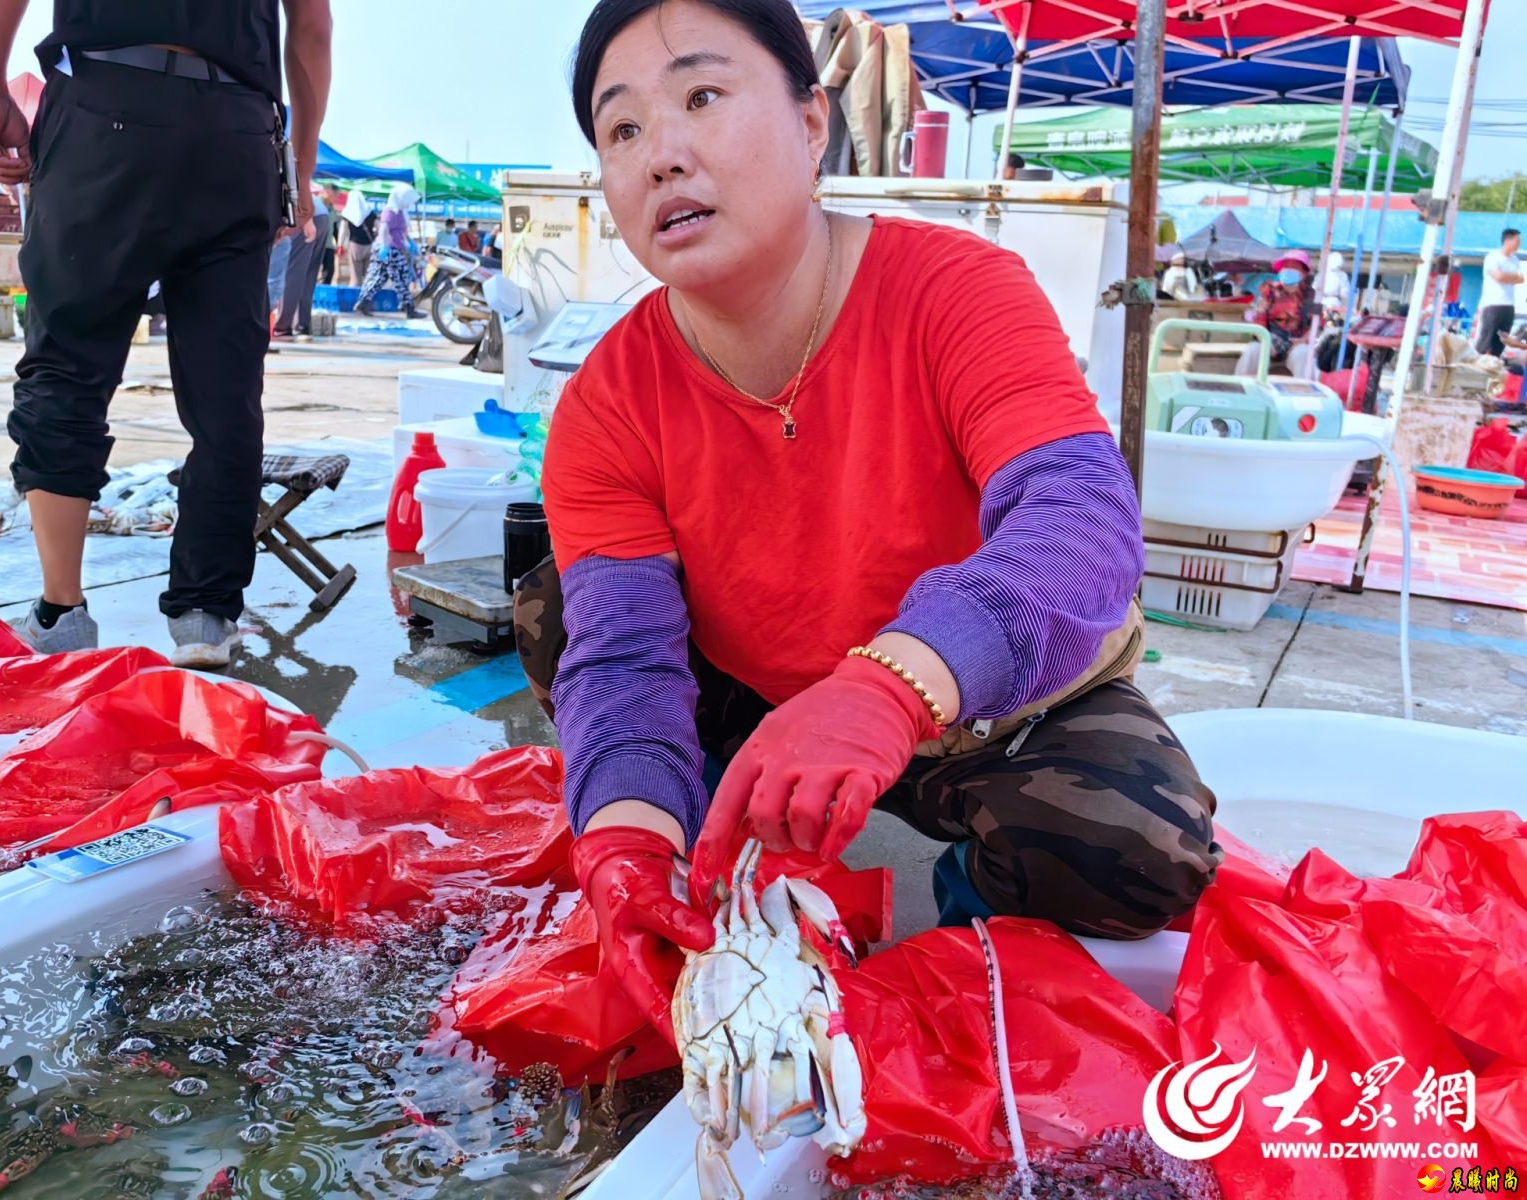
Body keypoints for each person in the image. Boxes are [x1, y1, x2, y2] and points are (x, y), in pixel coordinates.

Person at [515, 0, 1221, 1042]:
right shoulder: (606, 404)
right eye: (621, 130)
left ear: (811, 126)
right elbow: (624, 661)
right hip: (768, 699)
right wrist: (624, 846)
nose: (661, 154)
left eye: (702, 96)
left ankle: (898, 893)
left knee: (1135, 843)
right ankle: (703, 834)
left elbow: (1081, 524)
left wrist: (891, 687)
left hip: (985, 704)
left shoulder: (958, 290)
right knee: (561, 610)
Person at [0, 0, 332, 667]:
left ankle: (61, 612)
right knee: (226, 392)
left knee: (68, 361)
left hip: (105, 106)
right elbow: (311, 25)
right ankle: (206, 616)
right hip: (235, 131)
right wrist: (299, 165)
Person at [1237, 249, 1317, 379]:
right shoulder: (1270, 292)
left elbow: (1317, 325)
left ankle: (1302, 396)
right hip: (1271, 341)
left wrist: (1303, 341)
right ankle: (1240, 390)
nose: (1288, 270)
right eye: (1286, 267)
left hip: (1297, 344)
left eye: (1294, 267)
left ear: (1304, 273)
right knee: (1253, 349)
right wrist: (1266, 340)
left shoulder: (1312, 296)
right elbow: (1260, 319)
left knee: (1304, 354)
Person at [354, 185, 420, 317]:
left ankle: (363, 303)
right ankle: (409, 308)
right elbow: (384, 229)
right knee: (401, 277)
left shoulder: (400, 211)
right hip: (389, 249)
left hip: (390, 248)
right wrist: (385, 246)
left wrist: (409, 243)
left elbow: (401, 231)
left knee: (378, 277)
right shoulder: (390, 212)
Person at [275, 187, 332, 339]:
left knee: (293, 273)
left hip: (304, 215)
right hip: (321, 215)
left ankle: (282, 325)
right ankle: (302, 324)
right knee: (308, 274)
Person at [1474, 228, 1523, 358]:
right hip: (1493, 304)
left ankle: (1493, 365)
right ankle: (1475, 365)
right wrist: (1510, 277)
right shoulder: (1493, 257)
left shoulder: (1515, 260)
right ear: (1508, 241)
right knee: (1486, 339)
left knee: (1500, 342)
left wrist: (1507, 276)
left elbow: (1521, 278)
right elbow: (1499, 277)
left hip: (1509, 306)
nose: (1519, 244)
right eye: (1517, 241)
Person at [340, 188, 375, 286]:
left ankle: (354, 299)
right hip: (369, 246)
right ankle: (367, 298)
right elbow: (378, 227)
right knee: (369, 276)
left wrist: (340, 245)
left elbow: (343, 231)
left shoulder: (347, 213)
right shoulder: (369, 212)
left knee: (355, 277)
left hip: (355, 246)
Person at [1319, 250, 1351, 317]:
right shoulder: (1342, 275)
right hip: (1333, 303)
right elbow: (1344, 294)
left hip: (1323, 302)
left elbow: (1315, 289)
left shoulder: (1322, 273)